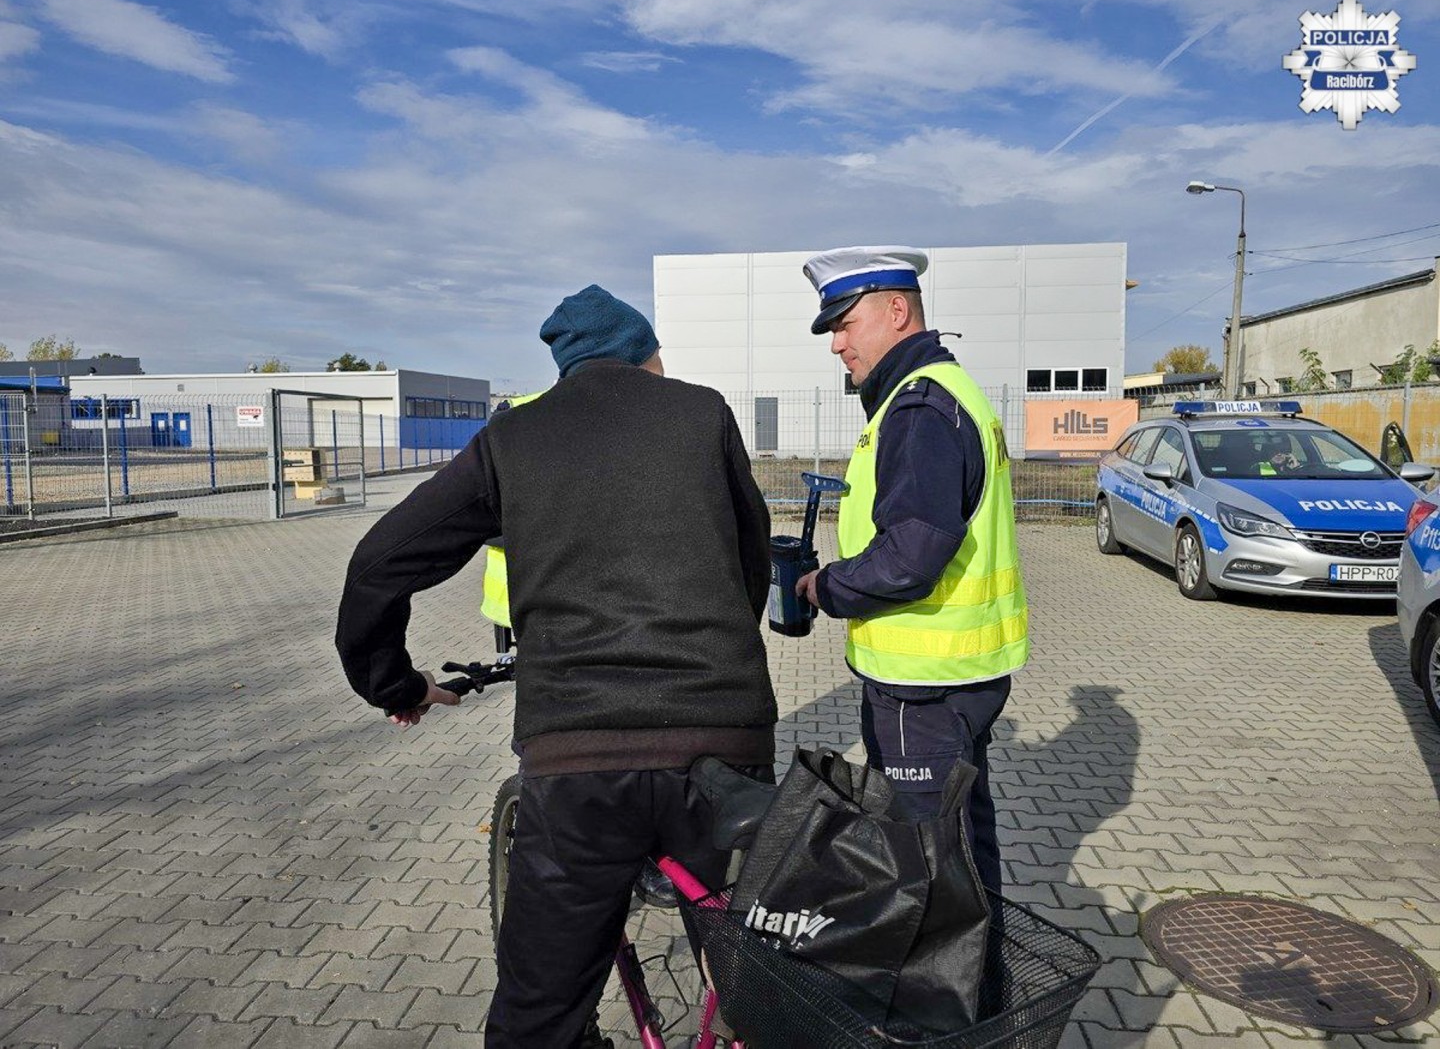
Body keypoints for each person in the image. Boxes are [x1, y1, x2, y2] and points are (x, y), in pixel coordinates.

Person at [335, 285, 776, 1048]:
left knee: (537, 1018)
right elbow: (751, 556)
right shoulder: (703, 413)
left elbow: (379, 563)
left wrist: (395, 685)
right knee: (758, 992)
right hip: (722, 743)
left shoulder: (513, 437)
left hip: (577, 759)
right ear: (646, 354)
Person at [793, 246, 1029, 896]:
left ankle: (941, 998)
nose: (837, 344)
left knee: (927, 874)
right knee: (963, 852)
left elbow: (911, 555)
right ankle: (983, 990)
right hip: (961, 675)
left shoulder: (918, 407)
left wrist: (830, 586)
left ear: (897, 310)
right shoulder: (943, 392)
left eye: (845, 323)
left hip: (922, 688)